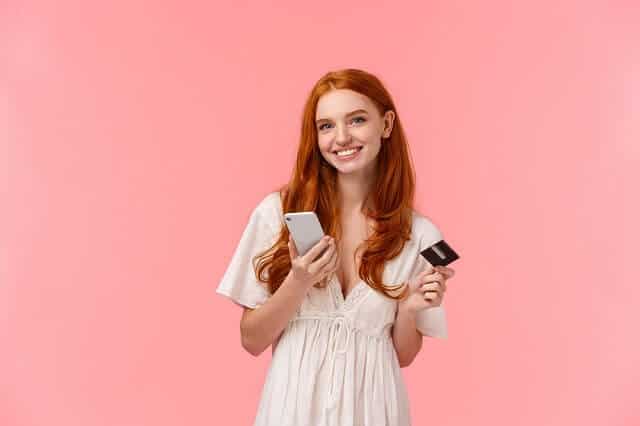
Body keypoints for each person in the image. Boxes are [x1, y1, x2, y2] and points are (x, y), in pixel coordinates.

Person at [216, 68, 456, 426]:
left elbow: (403, 355)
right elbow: (251, 339)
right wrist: (297, 283)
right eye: (326, 126)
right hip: (292, 407)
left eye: (357, 120)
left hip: (375, 410)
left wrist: (409, 309)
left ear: (386, 124)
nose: (341, 138)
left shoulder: (419, 234)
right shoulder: (278, 213)